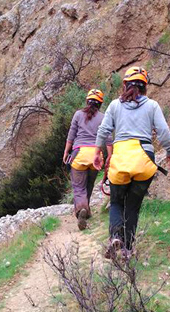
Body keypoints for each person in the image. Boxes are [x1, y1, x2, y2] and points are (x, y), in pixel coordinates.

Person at [93, 67, 170, 259]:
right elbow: (163, 132)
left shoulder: (114, 106)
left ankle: (115, 237)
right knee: (132, 206)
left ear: (125, 85)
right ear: (145, 87)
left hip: (121, 159)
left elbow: (104, 130)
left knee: (116, 202)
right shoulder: (152, 106)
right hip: (144, 160)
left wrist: (98, 152)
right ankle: (127, 249)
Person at [64, 89, 113, 231]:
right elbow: (108, 139)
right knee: (89, 184)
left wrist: (66, 152)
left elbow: (71, 135)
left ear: (87, 101)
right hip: (95, 156)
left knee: (79, 187)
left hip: (79, 154)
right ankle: (87, 209)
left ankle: (81, 210)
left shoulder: (78, 115)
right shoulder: (104, 117)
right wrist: (110, 156)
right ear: (100, 103)